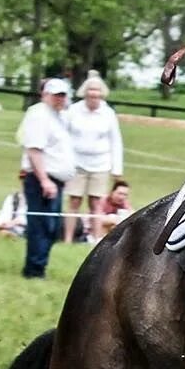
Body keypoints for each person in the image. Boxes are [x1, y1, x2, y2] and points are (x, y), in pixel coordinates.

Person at [18, 78, 76, 279]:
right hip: (42, 180)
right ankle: (34, 270)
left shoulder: (59, 117)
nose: (60, 99)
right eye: (56, 95)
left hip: (55, 181)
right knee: (41, 225)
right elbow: (34, 150)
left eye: (63, 95)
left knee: (50, 228)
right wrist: (44, 180)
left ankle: (39, 266)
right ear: (46, 94)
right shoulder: (39, 114)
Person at [63, 72, 124, 243]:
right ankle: (68, 239)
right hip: (75, 164)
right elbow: (64, 137)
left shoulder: (108, 113)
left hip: (100, 165)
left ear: (102, 93)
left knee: (96, 203)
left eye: (97, 90)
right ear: (85, 91)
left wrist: (116, 169)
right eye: (90, 89)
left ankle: (96, 239)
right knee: (73, 201)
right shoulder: (73, 110)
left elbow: (115, 141)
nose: (93, 93)